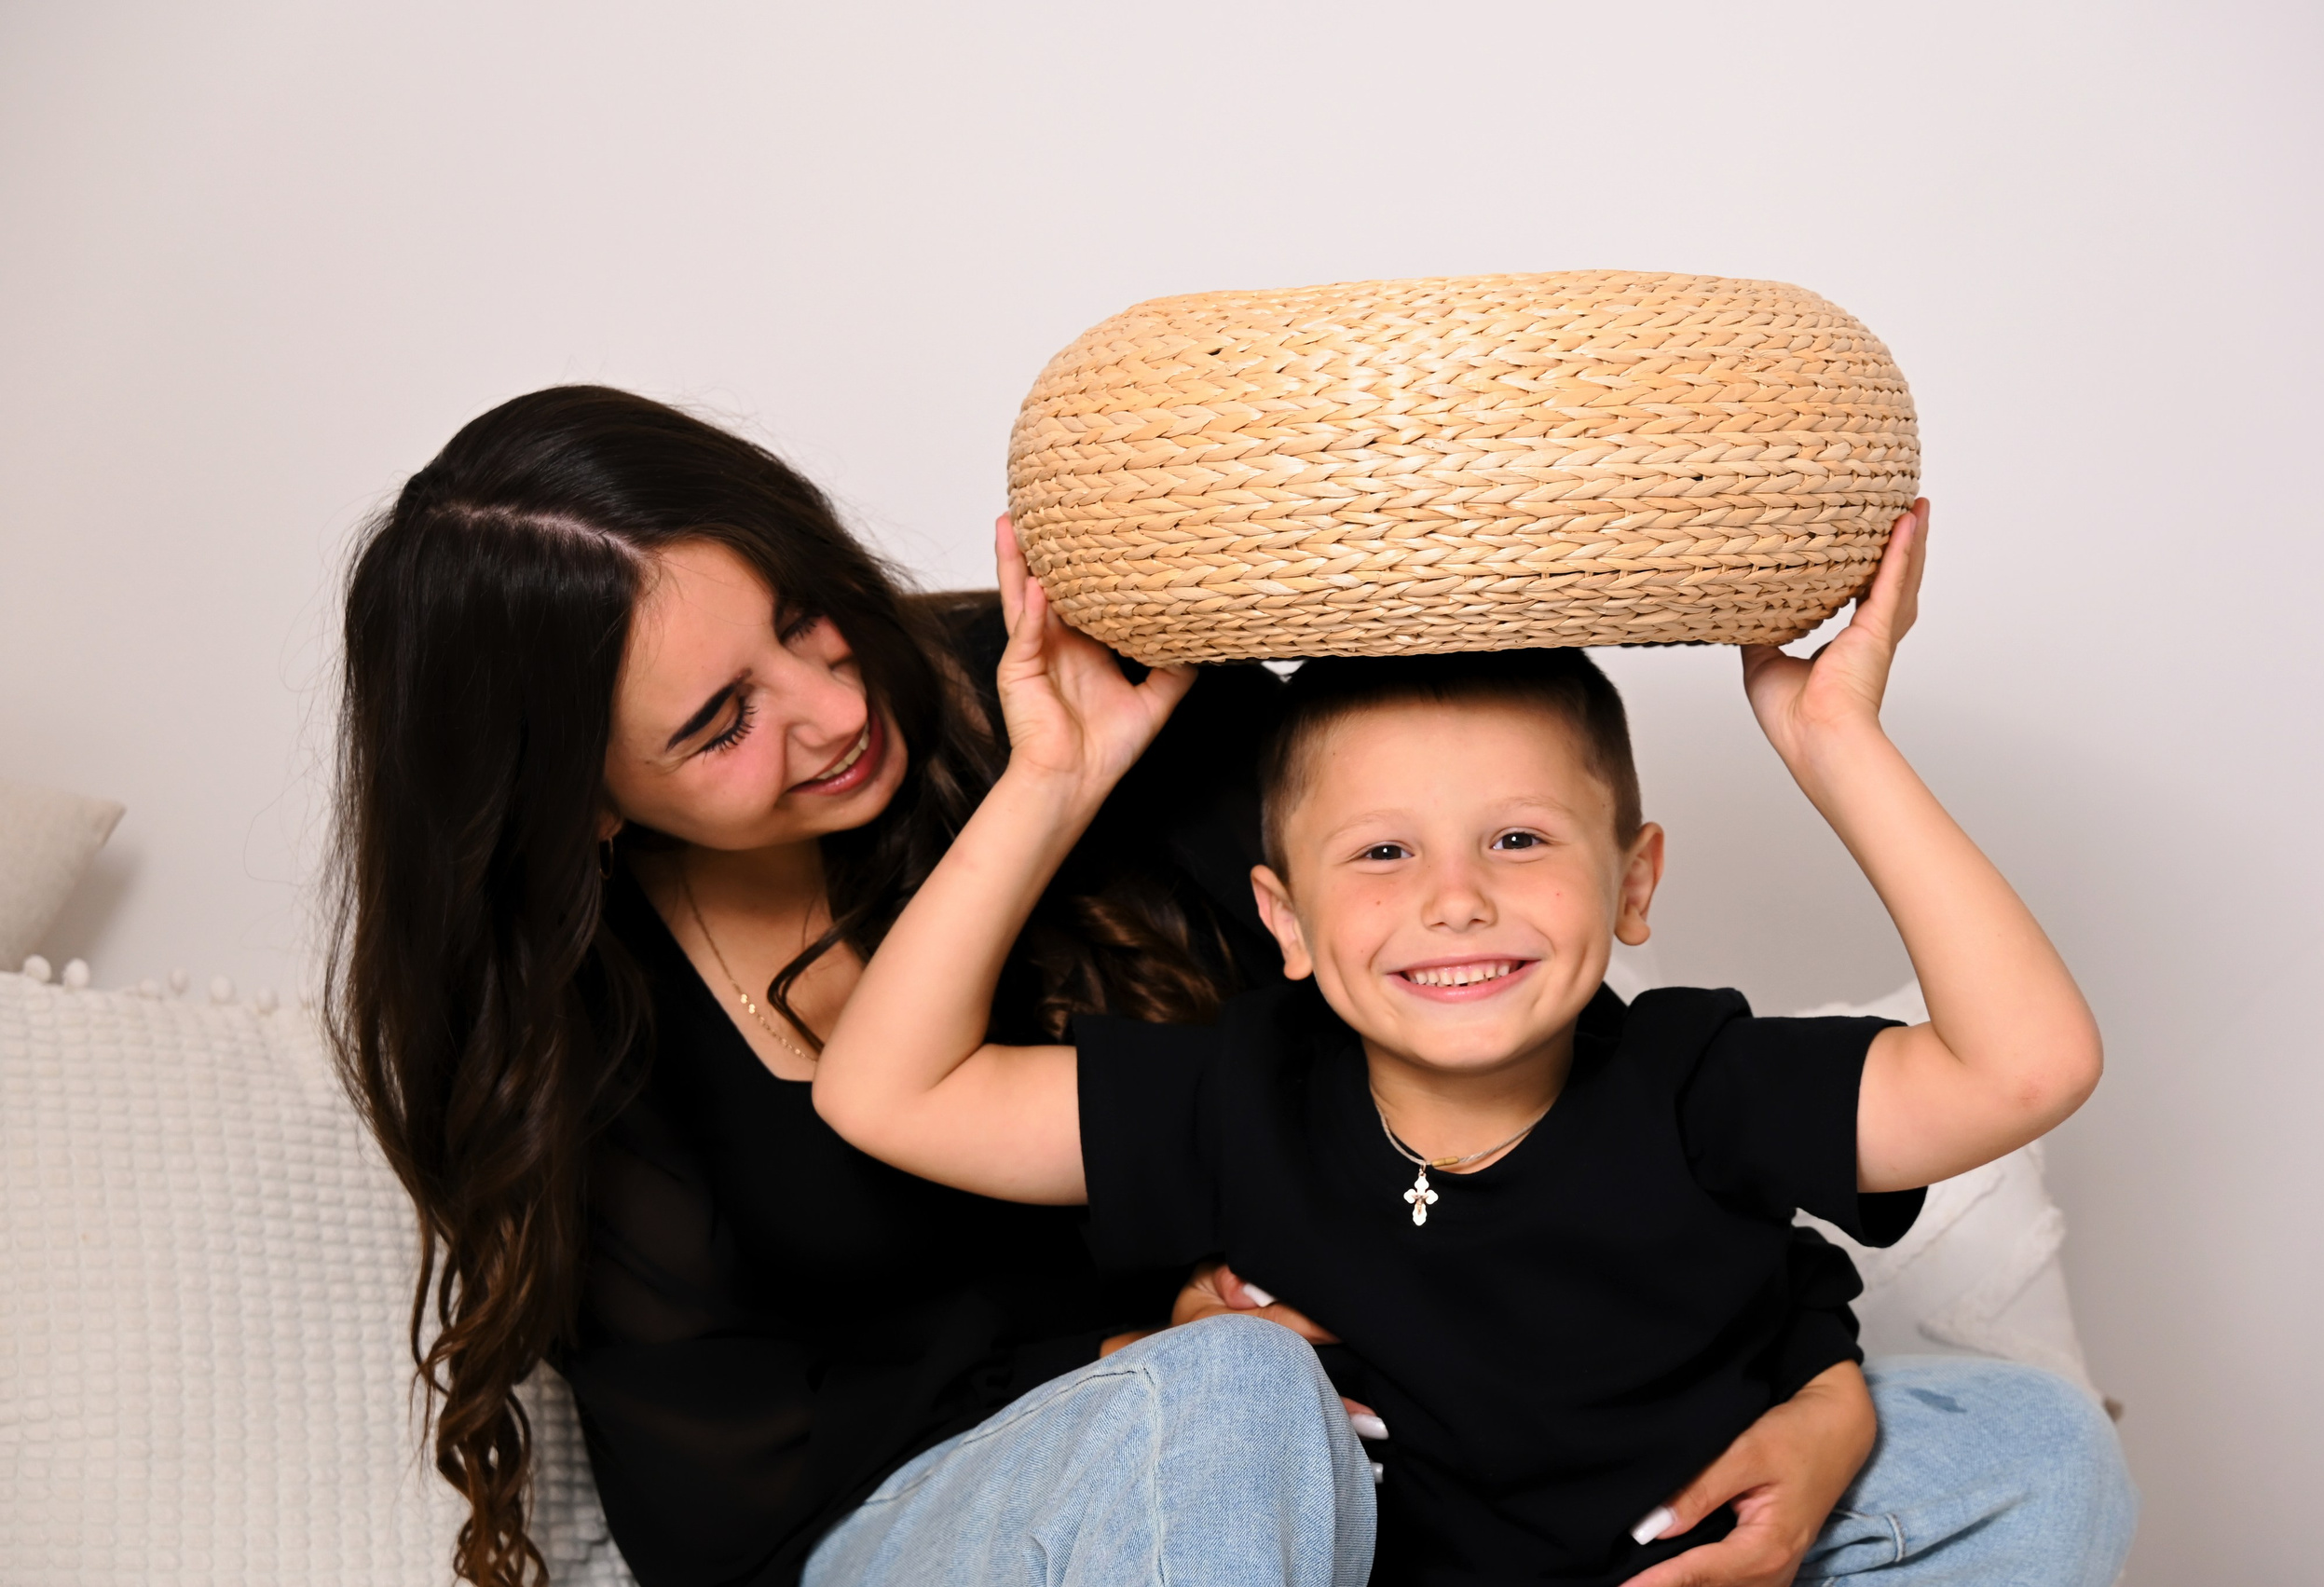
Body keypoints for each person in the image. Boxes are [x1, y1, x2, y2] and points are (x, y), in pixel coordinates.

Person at [325, 386, 1892, 1587]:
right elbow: (720, 1498)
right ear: (581, 803)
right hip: (953, 1516)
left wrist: (1823, 1380)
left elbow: (1542, 1104)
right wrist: (1114, 1355)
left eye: (803, 618)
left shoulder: (1079, 699)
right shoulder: (587, 1032)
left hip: (1375, 1454)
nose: (829, 707)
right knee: (1229, 1403)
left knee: (2009, 1447)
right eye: (720, 724)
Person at [812, 506, 2140, 1585]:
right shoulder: (1243, 1091)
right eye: (1383, 852)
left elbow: (2025, 1069)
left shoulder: (1698, 1080)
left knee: (2039, 1444)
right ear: (1287, 918)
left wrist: (1835, 738)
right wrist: (1052, 780)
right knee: (1223, 1381)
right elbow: (889, 1093)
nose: (1456, 897)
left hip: (1647, 1549)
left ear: (1634, 883)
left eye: (1519, 839)